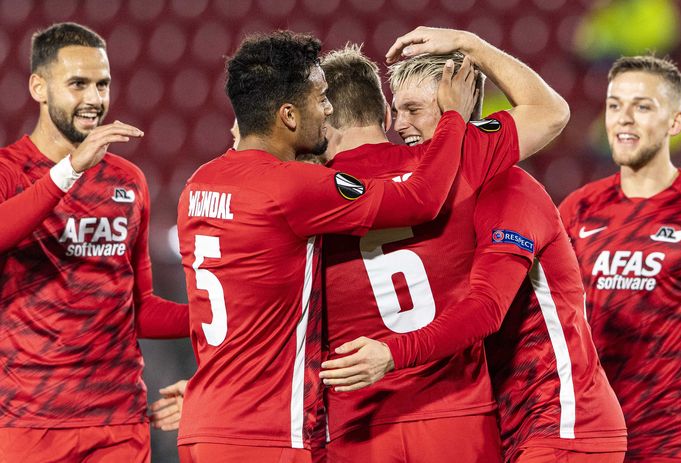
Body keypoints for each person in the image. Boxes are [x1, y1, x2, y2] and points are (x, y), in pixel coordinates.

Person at [320, 27, 626, 463]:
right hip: (505, 421)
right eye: (397, 110)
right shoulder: (446, 180)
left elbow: (485, 308)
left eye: (414, 109)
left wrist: (471, 45)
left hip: (561, 418)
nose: (400, 125)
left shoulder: (508, 188)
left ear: (458, 106)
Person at [175, 30, 475, 463]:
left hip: (202, 422)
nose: (330, 109)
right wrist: (454, 120)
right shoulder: (294, 187)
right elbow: (422, 199)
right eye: (320, 99)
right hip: (268, 434)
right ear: (288, 115)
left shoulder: (198, 184)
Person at [0, 22, 189, 463]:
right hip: (30, 423)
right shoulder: (9, 171)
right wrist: (69, 171)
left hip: (118, 424)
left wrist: (218, 317)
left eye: (102, 84)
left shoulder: (128, 181)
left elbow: (139, 308)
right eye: (78, 84)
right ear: (39, 87)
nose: (94, 99)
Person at [559, 55, 681, 462]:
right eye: (614, 105)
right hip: (591, 437)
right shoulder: (579, 208)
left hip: (671, 441)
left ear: (675, 123)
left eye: (643, 106)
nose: (624, 119)